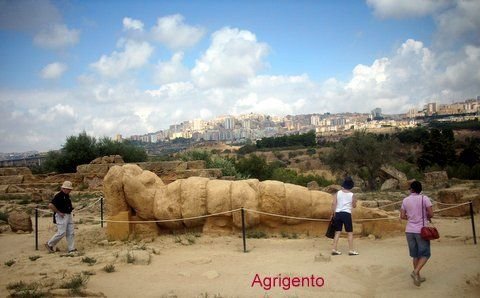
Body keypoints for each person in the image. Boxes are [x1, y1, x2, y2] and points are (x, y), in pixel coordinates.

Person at [400, 180, 433, 287]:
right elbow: (431, 213)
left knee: (415, 255)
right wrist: (425, 216)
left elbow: (402, 216)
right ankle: (415, 272)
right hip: (421, 230)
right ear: (420, 189)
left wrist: (410, 217)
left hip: (409, 230)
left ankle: (417, 277)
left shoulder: (405, 200)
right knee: (426, 254)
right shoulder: (425, 198)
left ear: (411, 189)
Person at [45, 181, 76, 253]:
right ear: (63, 188)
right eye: (68, 189)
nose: (69, 190)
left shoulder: (66, 196)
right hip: (62, 216)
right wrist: (59, 212)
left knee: (70, 232)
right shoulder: (59, 196)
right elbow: (50, 205)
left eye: (70, 189)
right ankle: (49, 244)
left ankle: (71, 249)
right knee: (61, 232)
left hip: (68, 215)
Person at [331, 176, 358, 256]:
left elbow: (333, 203)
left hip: (338, 213)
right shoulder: (352, 195)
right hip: (346, 214)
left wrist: (333, 213)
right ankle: (351, 250)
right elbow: (354, 206)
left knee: (337, 232)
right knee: (349, 232)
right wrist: (355, 202)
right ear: (350, 186)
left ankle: (334, 249)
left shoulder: (337, 193)